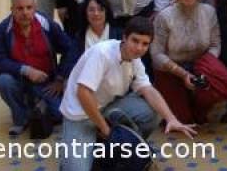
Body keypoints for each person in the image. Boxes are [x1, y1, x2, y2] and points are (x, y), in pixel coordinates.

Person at [59, 17, 197, 171]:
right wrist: (106, 130)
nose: (139, 48)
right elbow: (83, 93)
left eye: (145, 44)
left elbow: (148, 89)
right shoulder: (102, 53)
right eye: (135, 41)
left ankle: (118, 146)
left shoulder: (134, 59)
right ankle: (105, 144)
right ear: (124, 37)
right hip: (80, 116)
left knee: (154, 112)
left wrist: (171, 118)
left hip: (105, 108)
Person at [151, 0, 227, 124]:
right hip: (172, 69)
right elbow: (156, 55)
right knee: (184, 120)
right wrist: (183, 74)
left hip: (200, 66)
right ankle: (182, 106)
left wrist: (203, 70)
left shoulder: (209, 12)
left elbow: (215, 44)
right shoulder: (164, 17)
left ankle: (200, 105)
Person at [0, 0, 76, 136]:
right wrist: (26, 70)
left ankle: (32, 102)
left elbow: (69, 50)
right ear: (12, 9)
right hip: (17, 78)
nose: (25, 12)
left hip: (45, 81)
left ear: (35, 8)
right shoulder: (2, 30)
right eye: (19, 8)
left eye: (29, 7)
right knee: (3, 81)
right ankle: (21, 118)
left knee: (57, 115)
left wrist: (60, 79)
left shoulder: (48, 25)